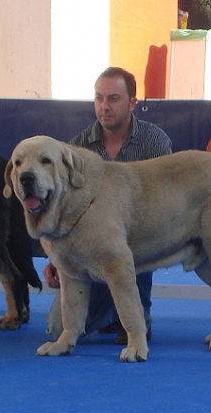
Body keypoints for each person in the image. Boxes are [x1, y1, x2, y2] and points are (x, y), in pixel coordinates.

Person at [45, 67, 172, 345]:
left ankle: (132, 317)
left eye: (113, 98)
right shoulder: (76, 147)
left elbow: (163, 203)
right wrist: (55, 258)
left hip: (139, 242)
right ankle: (112, 314)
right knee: (57, 329)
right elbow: (62, 210)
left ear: (132, 102)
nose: (104, 106)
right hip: (86, 251)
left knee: (128, 250)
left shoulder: (155, 142)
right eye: (99, 98)